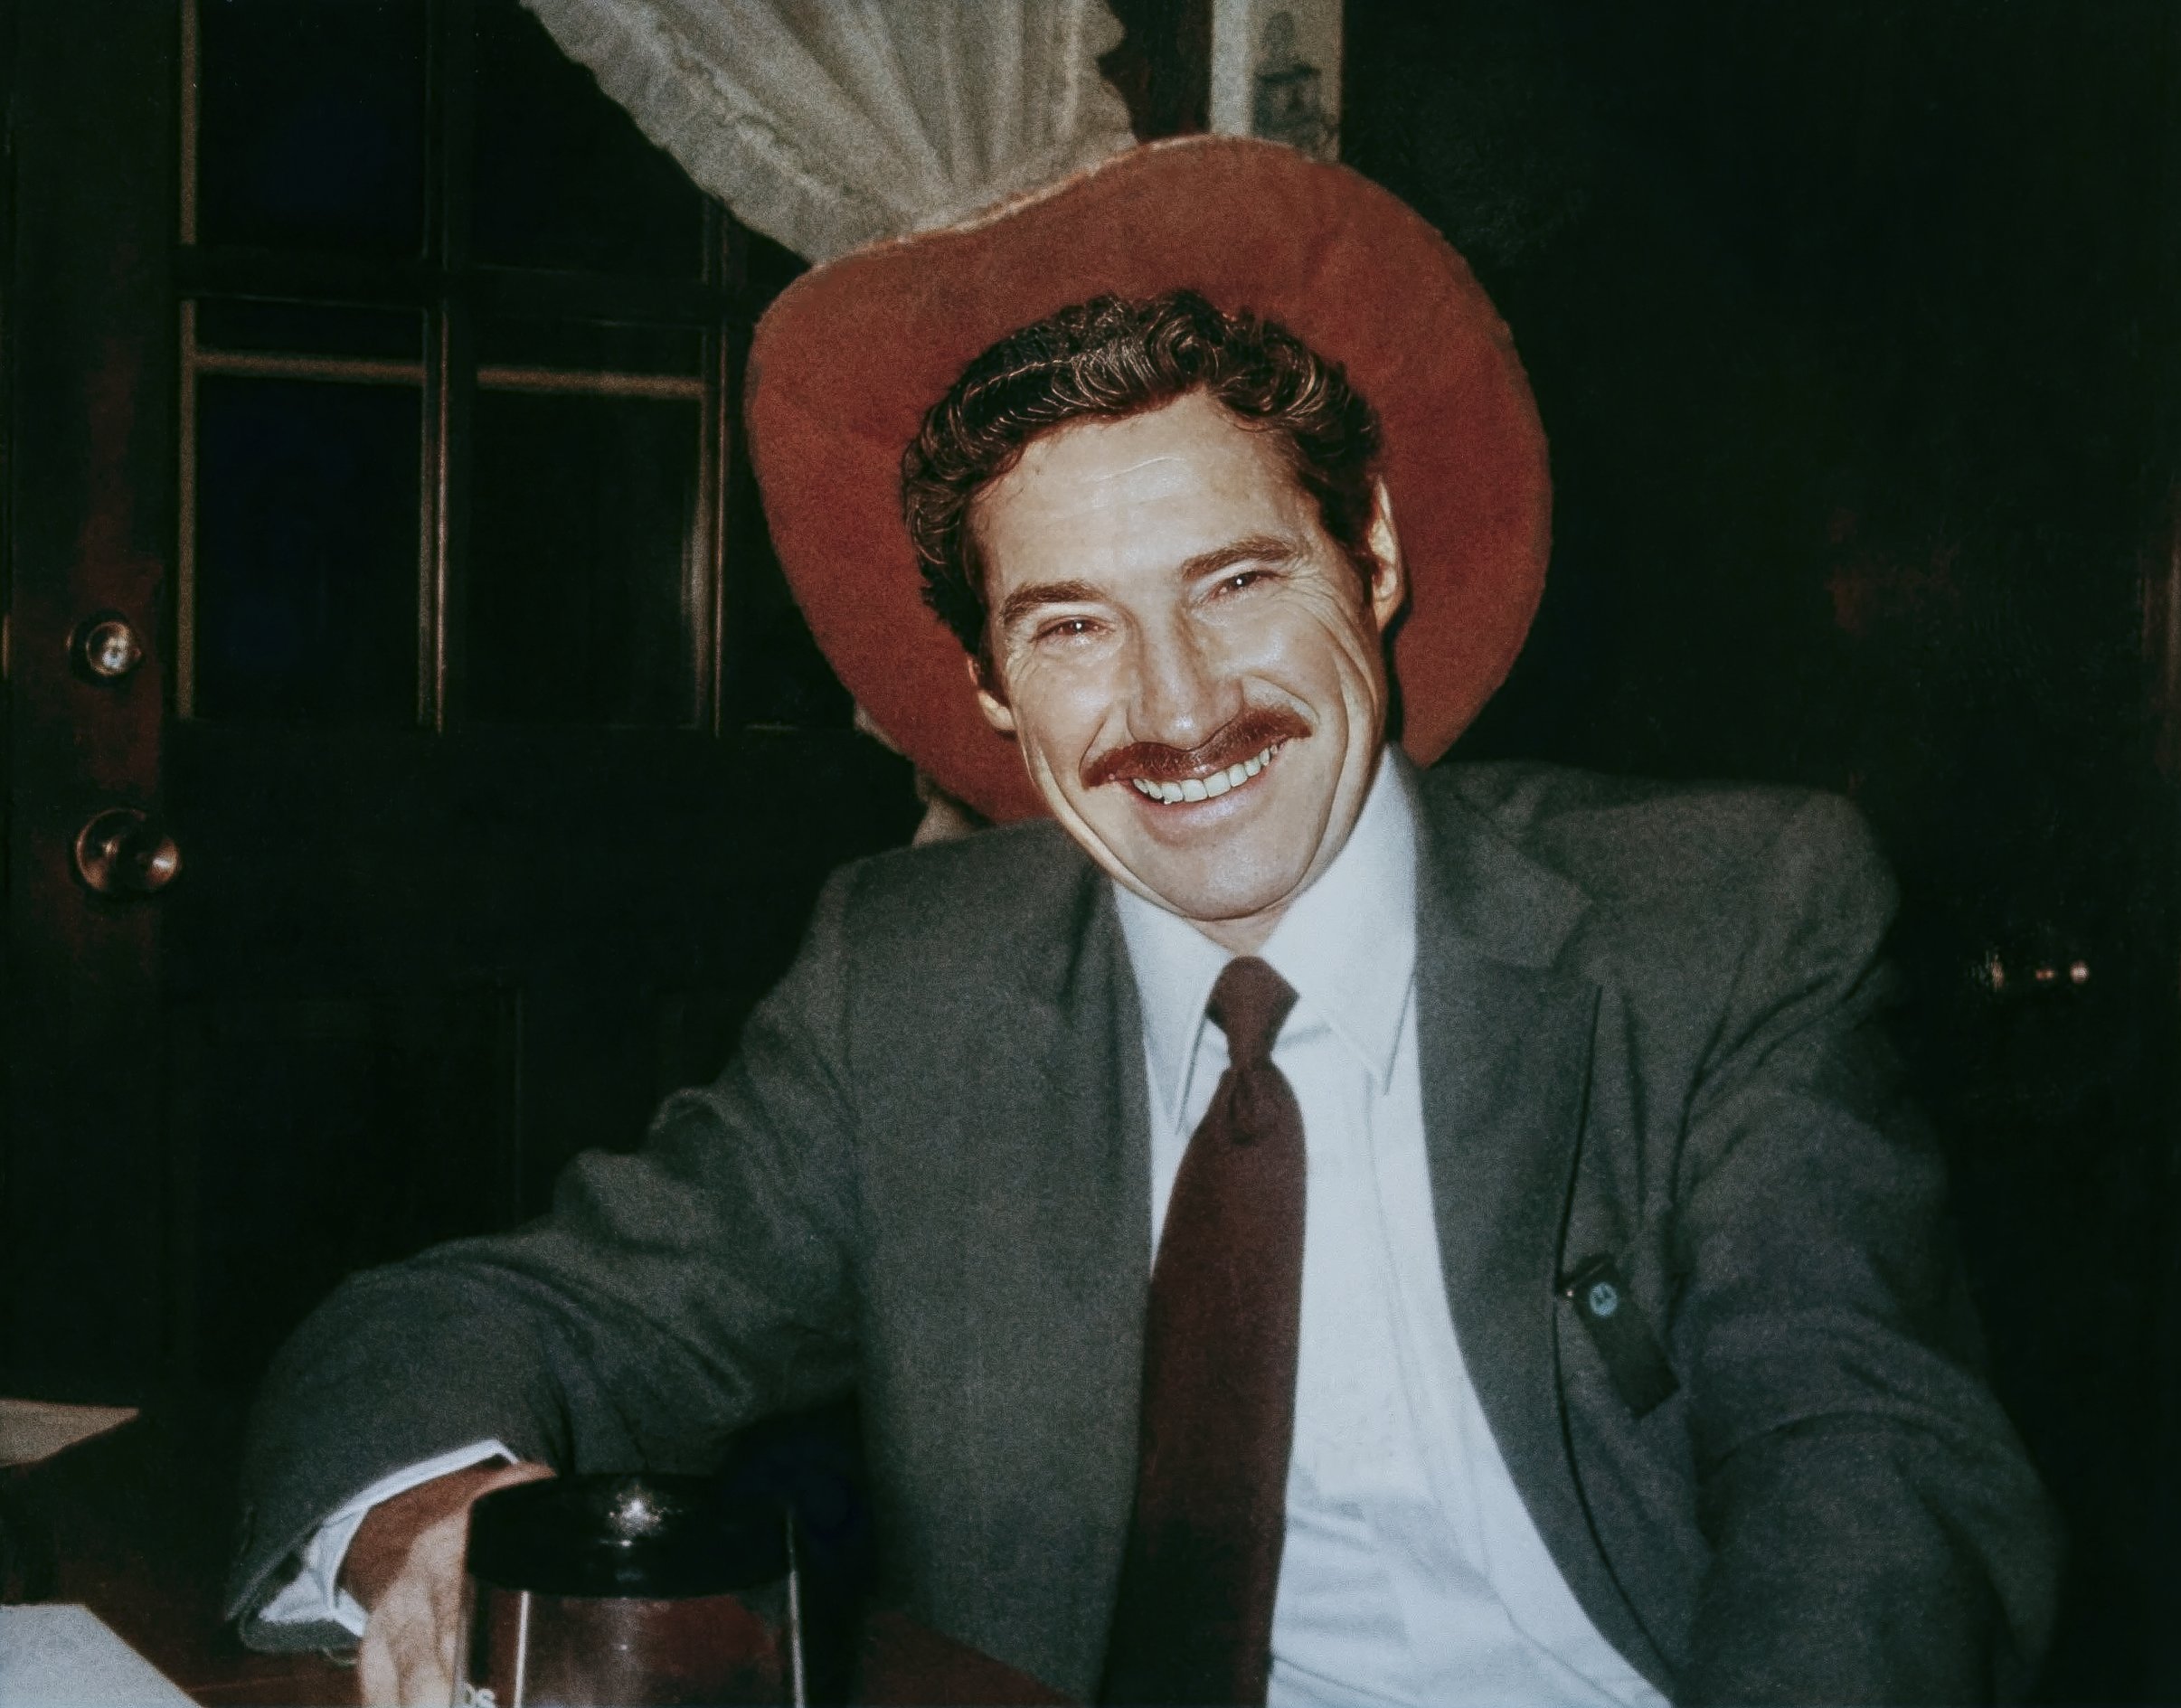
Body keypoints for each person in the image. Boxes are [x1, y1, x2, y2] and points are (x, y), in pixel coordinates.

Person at [225, 137, 2057, 1706]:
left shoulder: (1715, 924)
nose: (1177, 709)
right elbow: (509, 1310)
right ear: (989, 688)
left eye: (1239, 582)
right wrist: (423, 1520)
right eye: (1072, 625)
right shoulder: (912, 983)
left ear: (1377, 561)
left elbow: (1866, 1467)